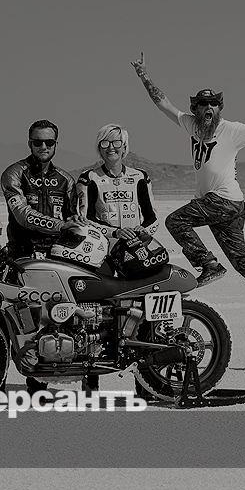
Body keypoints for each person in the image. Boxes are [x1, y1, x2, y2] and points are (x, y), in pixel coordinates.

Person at [130, 52, 245, 331]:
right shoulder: (191, 124)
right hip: (226, 206)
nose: (209, 107)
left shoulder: (232, 130)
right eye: (203, 104)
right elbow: (163, 103)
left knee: (176, 221)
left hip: (224, 200)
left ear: (219, 108)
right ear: (196, 108)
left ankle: (209, 264)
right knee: (242, 262)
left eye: (214, 104)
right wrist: (143, 75)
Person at [75, 123, 159, 396]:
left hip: (134, 252)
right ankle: (91, 384)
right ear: (98, 148)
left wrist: (143, 233)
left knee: (142, 313)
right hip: (102, 252)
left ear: (125, 147)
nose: (111, 148)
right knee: (95, 313)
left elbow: (152, 217)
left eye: (116, 142)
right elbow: (85, 218)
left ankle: (145, 385)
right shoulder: (89, 178)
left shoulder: (140, 177)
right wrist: (114, 232)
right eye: (105, 143)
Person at [0, 119, 81, 393]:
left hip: (56, 260)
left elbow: (75, 219)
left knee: (55, 321)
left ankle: (41, 384)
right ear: (29, 143)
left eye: (49, 142)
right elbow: (22, 215)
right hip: (21, 258)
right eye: (38, 142)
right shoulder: (14, 173)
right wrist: (60, 225)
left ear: (56, 144)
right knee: (15, 323)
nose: (43, 146)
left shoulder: (66, 180)